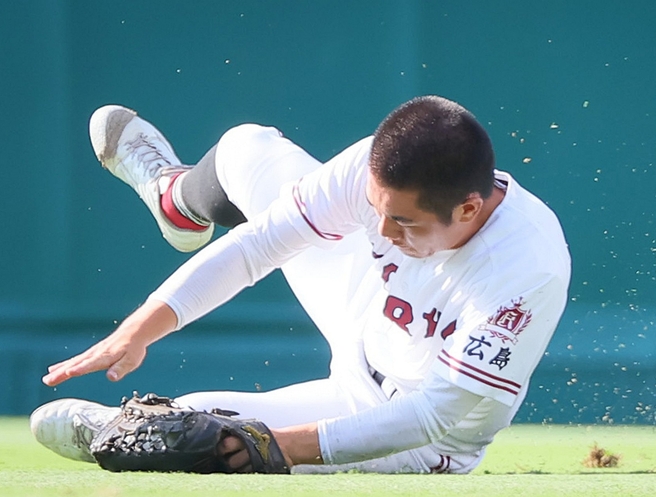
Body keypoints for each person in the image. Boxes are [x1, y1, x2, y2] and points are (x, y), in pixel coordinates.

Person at [31, 95, 571, 474]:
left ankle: (121, 430)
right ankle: (176, 200)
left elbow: (433, 415)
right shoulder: (380, 170)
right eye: (378, 209)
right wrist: (142, 327)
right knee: (246, 149)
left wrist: (280, 445)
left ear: (469, 208)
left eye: (403, 221)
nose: (381, 232)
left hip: (410, 426)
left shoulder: (526, 267)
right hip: (371, 312)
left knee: (186, 433)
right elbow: (258, 245)